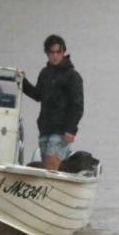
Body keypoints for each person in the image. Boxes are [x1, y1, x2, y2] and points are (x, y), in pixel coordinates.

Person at [22, 34, 84, 170]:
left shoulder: (72, 76)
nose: (55, 56)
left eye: (58, 52)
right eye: (52, 52)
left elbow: (77, 106)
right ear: (47, 53)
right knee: (47, 168)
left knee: (51, 166)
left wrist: (71, 129)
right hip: (45, 129)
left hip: (61, 131)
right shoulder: (45, 73)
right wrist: (23, 82)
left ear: (63, 52)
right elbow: (38, 95)